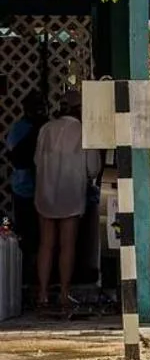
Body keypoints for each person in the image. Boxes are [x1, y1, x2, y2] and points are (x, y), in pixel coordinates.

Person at [34, 89, 100, 315]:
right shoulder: (83, 132)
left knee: (46, 244)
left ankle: (42, 293)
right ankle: (63, 293)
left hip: (45, 191)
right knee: (67, 245)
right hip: (71, 193)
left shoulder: (45, 129)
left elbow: (36, 160)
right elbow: (93, 168)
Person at [4, 95, 45, 298]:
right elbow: (16, 157)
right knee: (26, 235)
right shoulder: (21, 129)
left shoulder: (44, 128)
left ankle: (36, 277)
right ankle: (26, 276)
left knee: (40, 236)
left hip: (41, 189)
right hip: (24, 189)